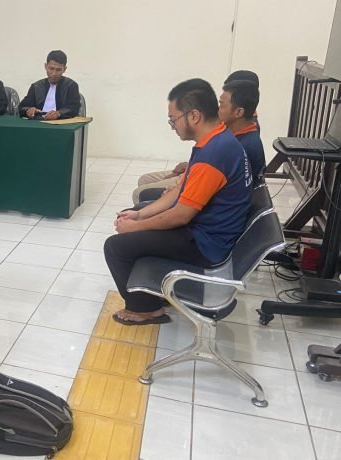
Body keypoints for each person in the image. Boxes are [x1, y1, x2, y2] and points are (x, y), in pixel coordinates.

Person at [104, 78, 252, 326]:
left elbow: (181, 215)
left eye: (173, 119)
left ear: (194, 116)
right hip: (205, 230)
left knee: (116, 247)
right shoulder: (215, 140)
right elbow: (180, 190)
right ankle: (152, 293)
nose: (172, 126)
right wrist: (139, 216)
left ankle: (146, 309)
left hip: (206, 244)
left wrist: (135, 227)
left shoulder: (214, 154)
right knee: (137, 210)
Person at [132, 70, 260, 204]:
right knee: (144, 181)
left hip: (204, 183)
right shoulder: (233, 128)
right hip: (199, 174)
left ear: (239, 110)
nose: (217, 110)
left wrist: (181, 183)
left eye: (222, 104)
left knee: (140, 194)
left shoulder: (238, 142)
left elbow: (212, 172)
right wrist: (188, 169)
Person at [218, 79, 265, 182]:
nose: (217, 110)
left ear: (238, 112)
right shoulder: (247, 134)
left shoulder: (241, 148)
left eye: (221, 105)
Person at [19, 50, 81, 120]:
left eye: (58, 70)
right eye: (51, 69)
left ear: (64, 69)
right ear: (45, 66)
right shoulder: (36, 86)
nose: (54, 73)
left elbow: (74, 108)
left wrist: (59, 113)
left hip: (61, 123)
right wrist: (29, 110)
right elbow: (22, 107)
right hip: (38, 122)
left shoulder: (71, 86)